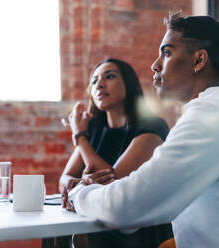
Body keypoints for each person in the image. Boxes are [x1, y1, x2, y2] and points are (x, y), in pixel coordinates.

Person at [62, 13, 219, 248]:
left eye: (166, 52)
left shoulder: (211, 116)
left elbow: (127, 208)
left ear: (198, 60)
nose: (155, 65)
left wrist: (79, 194)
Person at [59, 58, 173, 248]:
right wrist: (75, 183)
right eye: (94, 81)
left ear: (129, 84)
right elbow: (64, 179)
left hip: (139, 233)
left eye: (109, 76)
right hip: (98, 226)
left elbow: (114, 186)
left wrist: (79, 136)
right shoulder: (94, 129)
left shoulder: (152, 126)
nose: (100, 84)